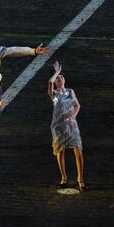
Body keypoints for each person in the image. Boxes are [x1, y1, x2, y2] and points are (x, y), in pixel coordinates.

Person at [47, 61, 86, 191]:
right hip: (59, 126)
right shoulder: (55, 95)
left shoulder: (70, 91)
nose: (59, 79)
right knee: (61, 151)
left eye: (61, 77)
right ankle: (64, 177)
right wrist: (56, 72)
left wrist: (73, 116)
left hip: (71, 125)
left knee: (78, 150)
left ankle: (80, 179)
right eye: (58, 78)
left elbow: (77, 105)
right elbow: (50, 83)